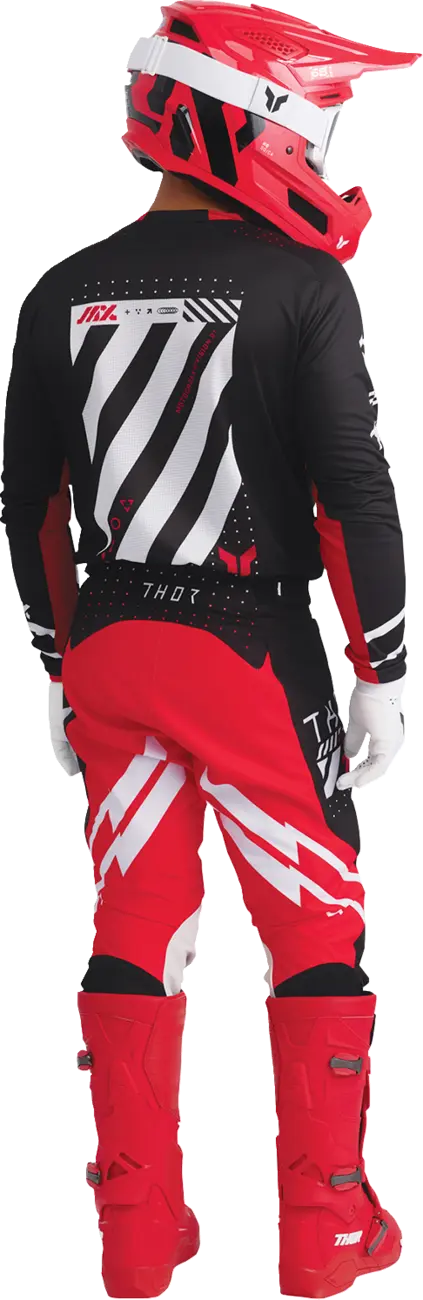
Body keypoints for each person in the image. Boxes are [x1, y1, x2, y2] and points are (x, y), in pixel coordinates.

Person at [3, 8, 418, 1298]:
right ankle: (323, 1229)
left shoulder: (59, 288)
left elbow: (33, 509)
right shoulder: (303, 287)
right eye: (311, 125)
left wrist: (57, 662)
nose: (323, 152)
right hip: (250, 656)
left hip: (112, 651)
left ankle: (134, 1236)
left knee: (133, 919)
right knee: (316, 921)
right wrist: (381, 670)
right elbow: (353, 493)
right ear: (240, 123)